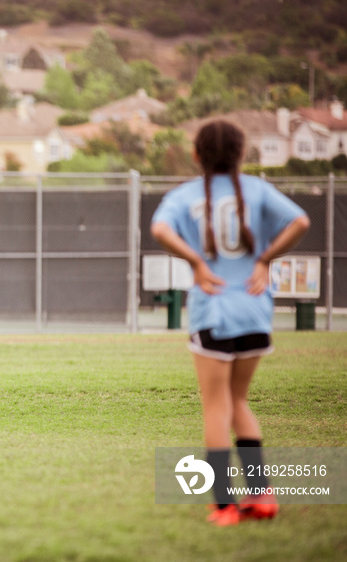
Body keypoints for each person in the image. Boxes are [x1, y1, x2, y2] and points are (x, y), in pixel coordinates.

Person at [150, 120, 310, 526]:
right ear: (241, 155)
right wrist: (264, 259)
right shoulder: (256, 190)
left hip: (214, 309)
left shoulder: (185, 195)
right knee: (239, 401)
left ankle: (224, 505)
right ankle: (261, 495)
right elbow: (301, 222)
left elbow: (159, 228)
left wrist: (196, 262)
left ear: (197, 155)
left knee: (217, 406)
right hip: (255, 309)